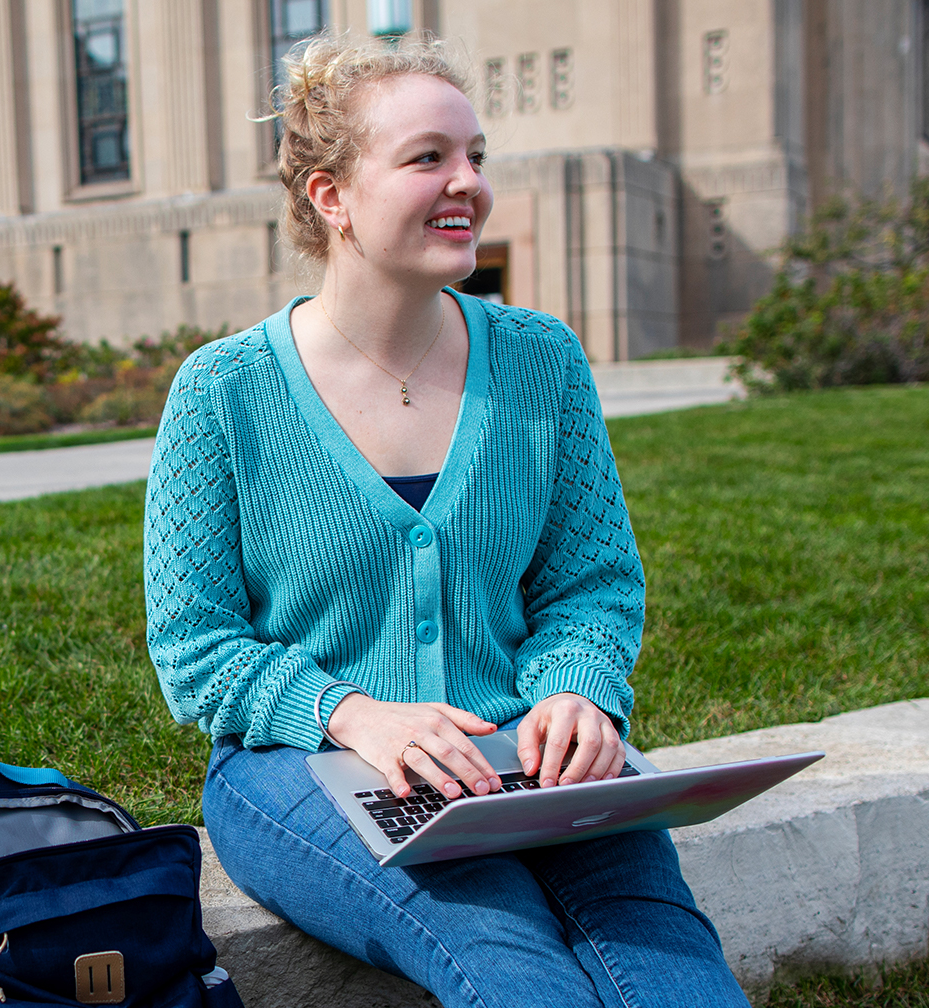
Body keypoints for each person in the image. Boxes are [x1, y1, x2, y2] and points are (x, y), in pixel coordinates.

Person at [143, 33, 749, 1008]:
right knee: (513, 976)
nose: (467, 182)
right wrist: (354, 716)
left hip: (533, 760)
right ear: (329, 198)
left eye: (475, 156)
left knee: (675, 975)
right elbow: (196, 648)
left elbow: (589, 586)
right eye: (428, 158)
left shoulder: (541, 359)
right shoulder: (223, 392)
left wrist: (579, 695)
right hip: (305, 767)